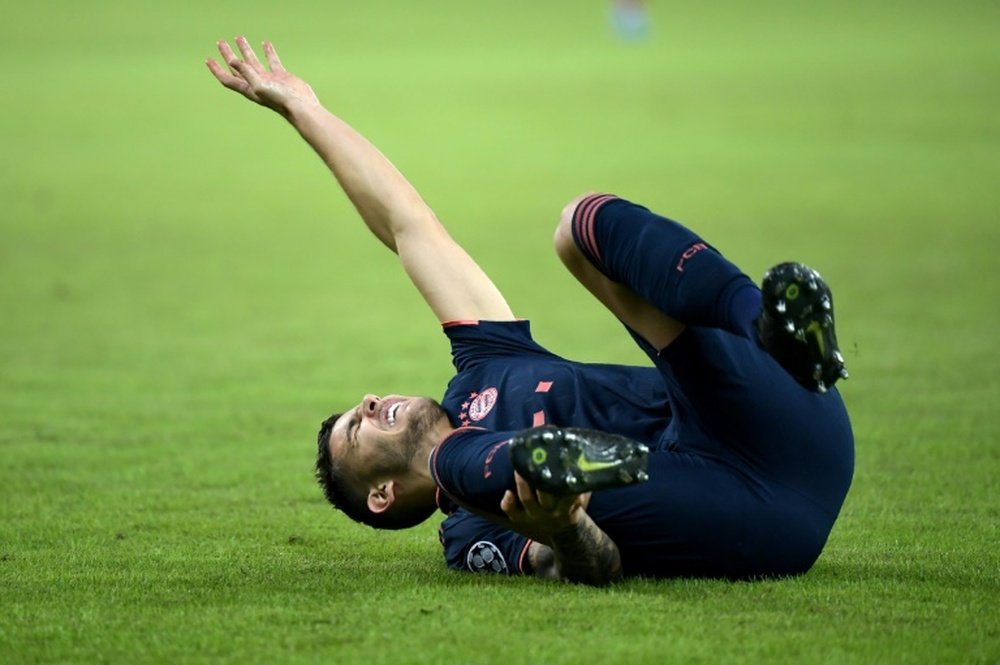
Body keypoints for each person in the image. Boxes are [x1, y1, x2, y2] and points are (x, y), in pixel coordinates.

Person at [207, 38, 853, 586]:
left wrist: (305, 109)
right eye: (357, 427)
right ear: (381, 496)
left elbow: (408, 226)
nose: (372, 401)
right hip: (753, 514)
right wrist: (566, 527)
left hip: (786, 414)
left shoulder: (485, 366)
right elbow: (576, 565)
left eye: (363, 403)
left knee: (578, 229)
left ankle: (768, 324)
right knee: (518, 476)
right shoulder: (466, 533)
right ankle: (551, 468)